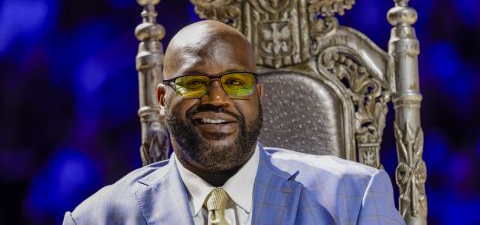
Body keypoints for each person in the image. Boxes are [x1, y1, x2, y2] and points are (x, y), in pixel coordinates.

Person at [63, 20, 405, 224]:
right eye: (194, 83)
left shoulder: (353, 196)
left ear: (258, 95)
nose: (216, 98)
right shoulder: (98, 218)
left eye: (236, 83)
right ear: (163, 100)